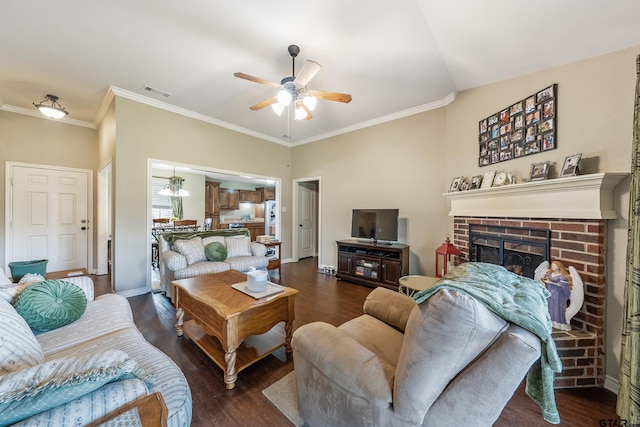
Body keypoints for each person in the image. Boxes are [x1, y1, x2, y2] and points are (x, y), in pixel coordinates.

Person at [542, 260, 572, 326]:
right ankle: (550, 320)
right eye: (552, 266)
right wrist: (545, 280)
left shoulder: (562, 276)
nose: (552, 267)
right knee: (550, 305)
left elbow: (562, 285)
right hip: (550, 291)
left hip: (558, 293)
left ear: (558, 267)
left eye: (554, 266)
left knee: (557, 306)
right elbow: (545, 279)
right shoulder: (549, 274)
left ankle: (558, 321)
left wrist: (551, 282)